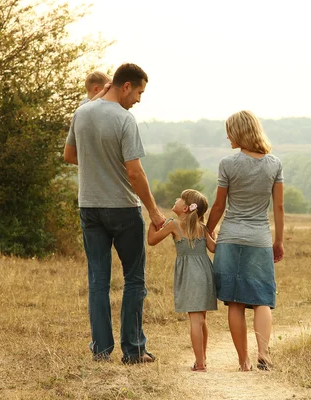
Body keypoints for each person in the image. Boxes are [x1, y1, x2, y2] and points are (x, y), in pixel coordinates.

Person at [63, 63, 165, 365]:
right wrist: (155, 212)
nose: (139, 100)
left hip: (89, 207)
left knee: (98, 280)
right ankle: (133, 350)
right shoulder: (124, 119)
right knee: (134, 279)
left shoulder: (81, 113)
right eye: (139, 92)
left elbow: (69, 156)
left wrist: (98, 166)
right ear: (126, 86)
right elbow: (135, 173)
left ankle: (101, 350)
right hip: (122, 208)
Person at [206, 110, 285, 372]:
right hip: (259, 239)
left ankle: (244, 361)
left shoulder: (228, 164)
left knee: (236, 302)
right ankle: (264, 353)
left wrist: (208, 229)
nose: (227, 136)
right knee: (263, 299)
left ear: (239, 132)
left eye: (229, 131)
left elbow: (219, 205)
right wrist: (278, 241)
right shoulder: (274, 164)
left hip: (230, 239)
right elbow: (279, 208)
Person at [147, 189, 218, 372]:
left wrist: (153, 222)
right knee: (202, 318)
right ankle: (203, 358)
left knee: (195, 319)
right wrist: (215, 235)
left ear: (185, 208)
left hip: (189, 276)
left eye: (180, 198)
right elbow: (213, 248)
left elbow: (152, 240)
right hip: (205, 274)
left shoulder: (173, 225)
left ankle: (200, 364)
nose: (176, 199)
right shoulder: (202, 228)